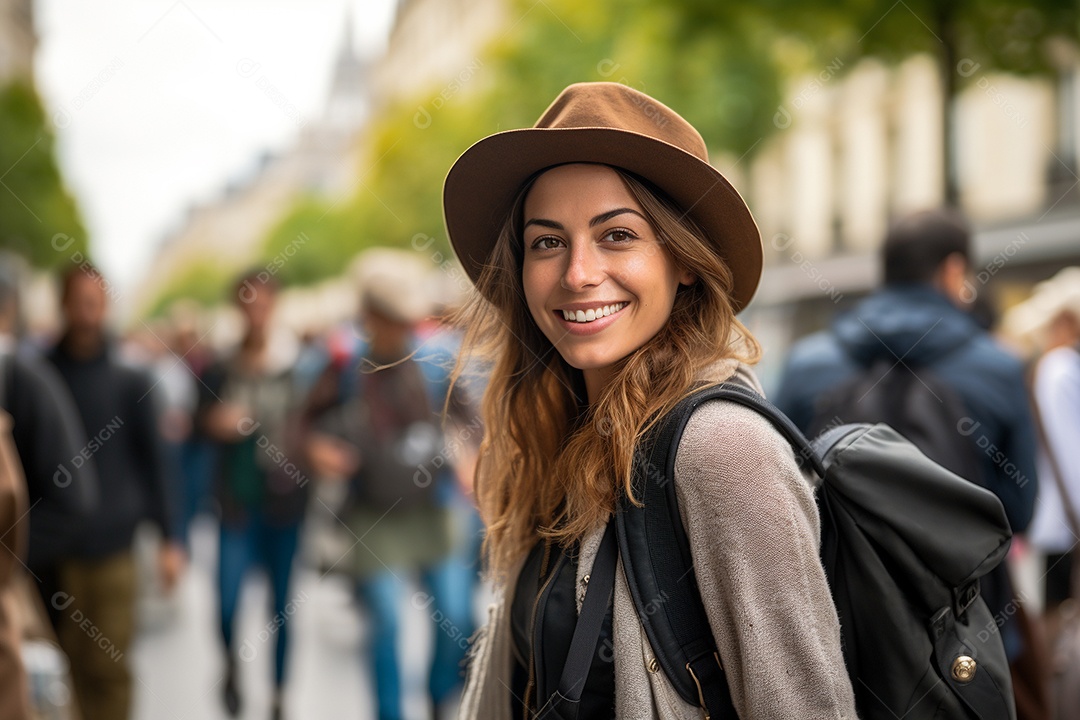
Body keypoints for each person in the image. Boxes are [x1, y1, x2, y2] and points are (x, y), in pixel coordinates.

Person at [441, 82, 856, 717]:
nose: (578, 272)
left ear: (683, 260)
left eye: (618, 235)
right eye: (547, 241)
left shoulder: (723, 451)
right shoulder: (559, 438)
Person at [773, 210, 1040, 705]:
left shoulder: (808, 364)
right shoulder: (999, 367)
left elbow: (777, 497)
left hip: (840, 633)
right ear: (954, 272)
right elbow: (1019, 511)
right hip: (968, 636)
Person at [303, 249, 479, 720]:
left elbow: (467, 420)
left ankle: (441, 697)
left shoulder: (436, 359)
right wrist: (317, 450)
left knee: (456, 619)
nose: (403, 328)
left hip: (436, 509)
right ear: (369, 317)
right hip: (373, 515)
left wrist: (469, 457)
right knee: (386, 623)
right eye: (391, 319)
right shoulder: (341, 367)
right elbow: (302, 426)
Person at [46, 264, 184, 720]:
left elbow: (157, 464)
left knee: (109, 665)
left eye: (96, 301)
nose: (88, 312)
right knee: (60, 670)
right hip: (51, 554)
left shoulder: (132, 381)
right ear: (63, 303)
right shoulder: (36, 377)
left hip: (114, 548)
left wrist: (169, 538)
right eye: (78, 300)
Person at [198, 271, 306, 720]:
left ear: (275, 306)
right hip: (237, 503)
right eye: (248, 304)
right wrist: (216, 423)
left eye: (264, 303)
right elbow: (195, 421)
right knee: (225, 602)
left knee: (282, 606)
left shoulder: (299, 364)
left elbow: (319, 422)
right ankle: (230, 666)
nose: (257, 312)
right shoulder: (220, 367)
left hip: (285, 503)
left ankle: (279, 693)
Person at [1015, 268, 1080, 615]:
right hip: (1067, 526)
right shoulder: (1061, 367)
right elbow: (1071, 455)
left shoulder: (1054, 366)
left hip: (1061, 524)